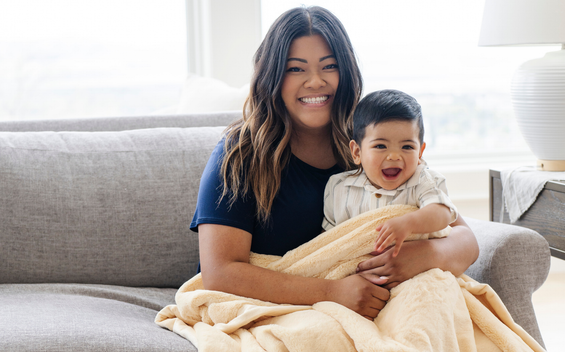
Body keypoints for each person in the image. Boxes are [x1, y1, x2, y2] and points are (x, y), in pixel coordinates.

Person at [190, 6, 479, 321]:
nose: (315, 81)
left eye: (329, 66)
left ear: (345, 73)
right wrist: (332, 293)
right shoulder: (239, 154)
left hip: (376, 305)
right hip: (287, 309)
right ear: (272, 76)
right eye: (296, 69)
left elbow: (465, 241)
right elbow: (219, 273)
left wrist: (422, 256)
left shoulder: (372, 144)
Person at [323, 89, 459, 258]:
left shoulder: (424, 181)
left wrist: (409, 223)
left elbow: (442, 213)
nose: (394, 156)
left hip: (410, 266)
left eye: (407, 147)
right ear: (357, 152)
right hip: (355, 270)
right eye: (380, 146)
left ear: (420, 153)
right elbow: (326, 240)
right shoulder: (339, 187)